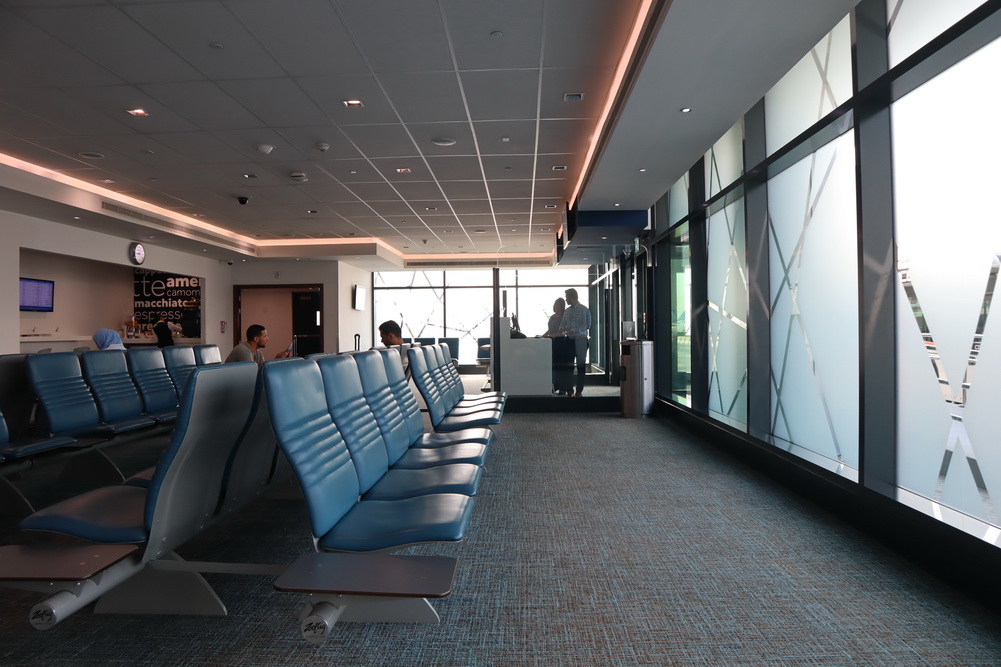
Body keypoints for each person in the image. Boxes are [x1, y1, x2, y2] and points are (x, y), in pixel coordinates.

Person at [559, 288, 591, 397]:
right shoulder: (567, 311)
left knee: (581, 366)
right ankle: (570, 391)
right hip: (570, 340)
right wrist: (564, 329)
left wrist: (570, 329)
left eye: (566, 297)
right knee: (569, 366)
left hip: (581, 340)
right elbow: (562, 325)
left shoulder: (584, 310)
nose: (565, 299)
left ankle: (579, 391)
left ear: (571, 297)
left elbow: (586, 326)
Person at [225, 324, 291, 365]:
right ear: (256, 339)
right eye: (265, 336)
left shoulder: (258, 352)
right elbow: (252, 373)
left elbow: (264, 368)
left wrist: (277, 359)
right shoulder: (243, 350)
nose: (268, 339)